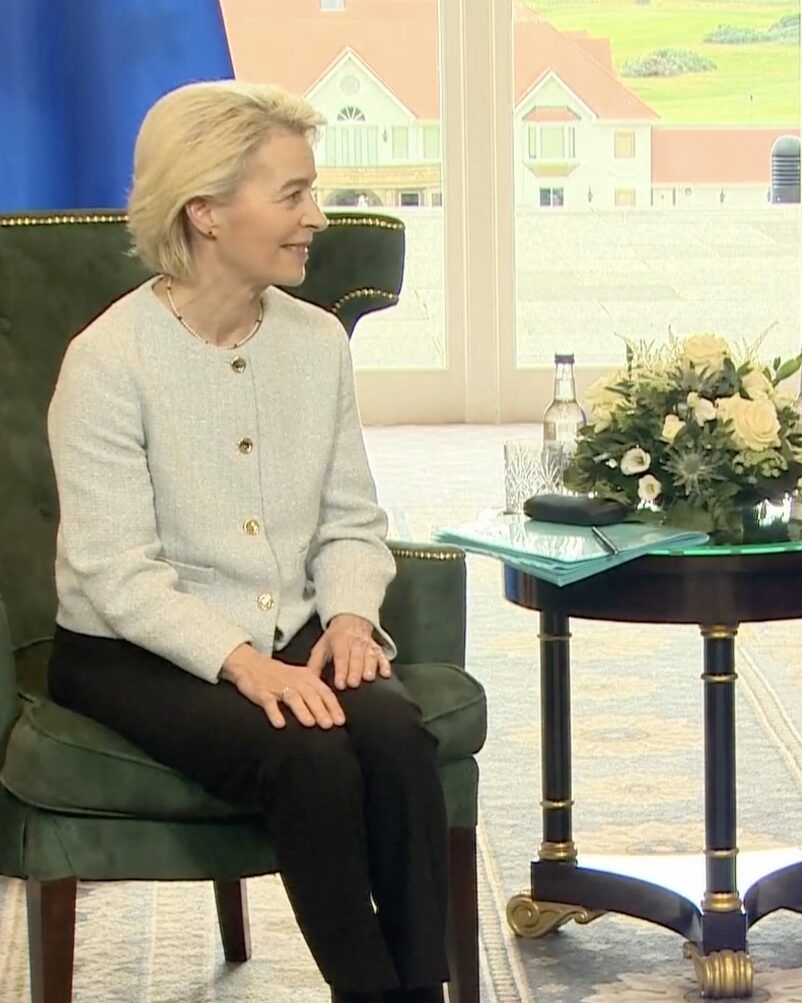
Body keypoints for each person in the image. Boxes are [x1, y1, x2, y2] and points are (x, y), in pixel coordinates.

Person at [46, 81, 448, 1003]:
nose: (316, 218)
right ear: (206, 211)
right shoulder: (109, 361)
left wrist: (349, 618)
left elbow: (351, 518)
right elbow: (116, 574)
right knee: (307, 753)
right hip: (129, 650)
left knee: (393, 731)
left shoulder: (315, 342)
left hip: (289, 626)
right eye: (293, 194)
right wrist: (248, 666)